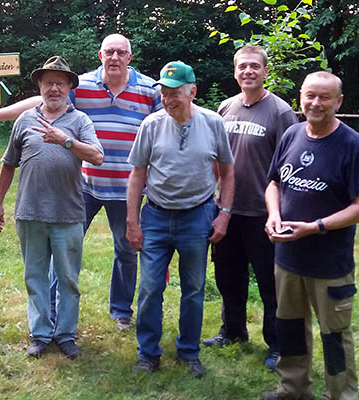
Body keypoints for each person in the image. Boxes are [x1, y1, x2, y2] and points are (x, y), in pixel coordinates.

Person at [0, 34, 161, 332]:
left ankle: (121, 311)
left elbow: (164, 124)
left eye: (121, 52)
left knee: (127, 250)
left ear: (130, 57)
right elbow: (43, 100)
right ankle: (51, 309)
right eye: (109, 52)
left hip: (127, 187)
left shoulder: (149, 89)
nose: (115, 57)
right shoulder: (85, 84)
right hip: (85, 186)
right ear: (100, 54)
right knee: (61, 248)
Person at [261, 71, 359, 400]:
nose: (315, 103)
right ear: (301, 96)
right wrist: (274, 215)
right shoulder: (292, 134)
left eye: (324, 97)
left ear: (338, 102)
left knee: (335, 336)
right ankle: (292, 389)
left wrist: (316, 227)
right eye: (310, 95)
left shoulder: (352, 145)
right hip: (287, 258)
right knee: (290, 327)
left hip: (330, 263)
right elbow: (273, 183)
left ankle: (341, 395)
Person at [0, 56, 104, 359]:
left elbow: (97, 156)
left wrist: (66, 141)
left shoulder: (80, 121)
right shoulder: (24, 120)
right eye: (48, 82)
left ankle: (66, 334)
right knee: (35, 277)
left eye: (60, 83)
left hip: (68, 214)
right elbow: (8, 163)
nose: (54, 88)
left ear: (69, 87)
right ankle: (40, 334)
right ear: (40, 86)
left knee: (68, 279)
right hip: (29, 213)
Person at [126, 61, 234, 377]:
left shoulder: (213, 124)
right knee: (148, 288)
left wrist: (223, 214)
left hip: (197, 216)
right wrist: (132, 222)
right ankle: (148, 354)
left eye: (175, 93)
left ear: (192, 92)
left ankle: (189, 353)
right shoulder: (151, 124)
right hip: (156, 216)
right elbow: (137, 176)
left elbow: (228, 172)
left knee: (194, 288)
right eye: (164, 93)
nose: (168, 100)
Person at [204, 45, 298, 370]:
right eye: (242, 66)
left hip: (263, 213)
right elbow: (215, 157)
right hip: (227, 209)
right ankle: (233, 331)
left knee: (270, 283)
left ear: (265, 71)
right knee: (228, 276)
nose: (248, 71)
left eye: (254, 66)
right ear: (234, 71)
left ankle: (277, 344)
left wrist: (281, 213)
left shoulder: (280, 112)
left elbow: (290, 166)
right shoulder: (225, 108)